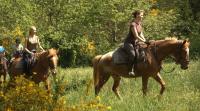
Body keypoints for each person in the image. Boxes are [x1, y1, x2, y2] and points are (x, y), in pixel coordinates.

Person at [124, 10, 147, 76]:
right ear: (137, 15)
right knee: (132, 54)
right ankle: (130, 70)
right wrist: (144, 41)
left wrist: (145, 41)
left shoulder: (139, 24)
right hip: (128, 43)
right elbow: (136, 36)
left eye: (142, 15)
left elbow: (141, 34)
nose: (142, 16)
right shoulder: (133, 24)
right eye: (141, 15)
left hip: (135, 43)